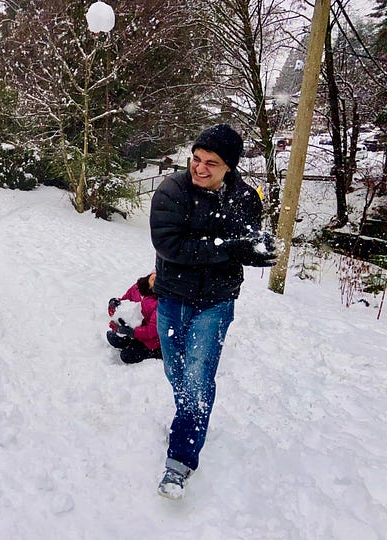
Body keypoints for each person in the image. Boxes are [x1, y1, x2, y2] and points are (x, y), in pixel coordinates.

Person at [149, 124, 276, 500]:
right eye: (196, 158)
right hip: (172, 297)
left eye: (211, 163)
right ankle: (185, 420)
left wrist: (257, 252)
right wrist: (228, 248)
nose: (199, 168)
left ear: (229, 168)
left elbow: (247, 243)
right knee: (176, 372)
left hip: (216, 303)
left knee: (198, 379)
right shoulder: (172, 190)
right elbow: (170, 244)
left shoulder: (245, 199)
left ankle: (180, 461)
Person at [106, 272, 162, 364]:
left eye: (160, 278)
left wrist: (133, 332)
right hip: (134, 329)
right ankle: (133, 341)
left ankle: (157, 354)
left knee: (127, 356)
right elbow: (125, 302)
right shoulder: (138, 287)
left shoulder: (159, 304)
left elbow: (152, 330)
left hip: (152, 340)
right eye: (157, 273)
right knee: (114, 339)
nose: (156, 277)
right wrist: (114, 304)